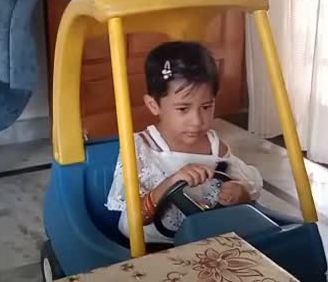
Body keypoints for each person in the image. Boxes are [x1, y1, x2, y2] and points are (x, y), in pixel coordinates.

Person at [106, 41, 263, 243]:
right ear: (154, 105)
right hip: (150, 245)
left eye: (206, 107)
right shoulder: (140, 148)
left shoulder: (216, 147)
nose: (197, 121)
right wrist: (172, 181)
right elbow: (135, 220)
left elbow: (251, 186)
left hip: (203, 240)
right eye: (183, 109)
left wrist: (240, 193)